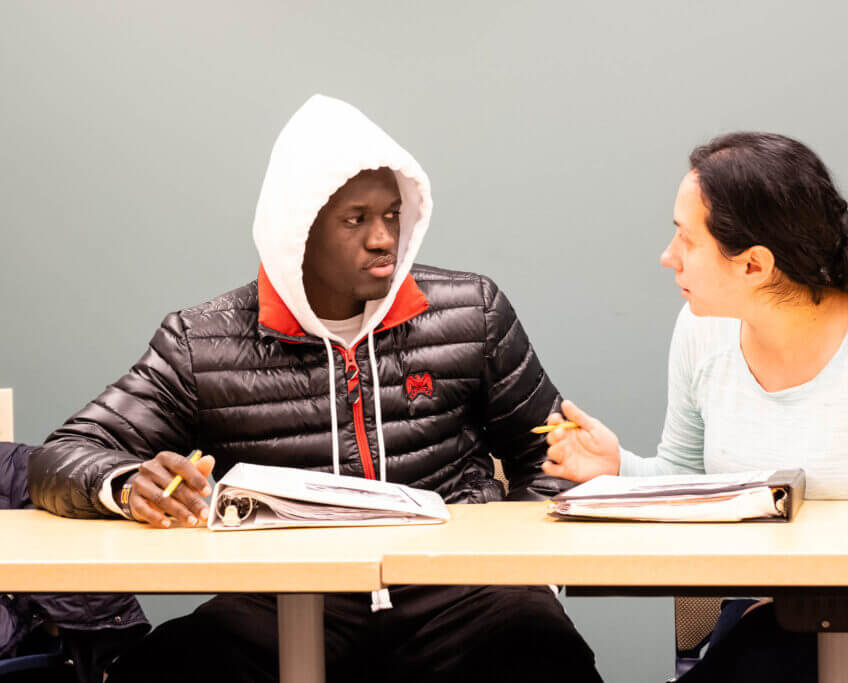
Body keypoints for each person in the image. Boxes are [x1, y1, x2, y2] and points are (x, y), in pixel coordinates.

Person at [28, 95, 601, 683]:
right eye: (356, 220)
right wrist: (124, 485)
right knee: (166, 669)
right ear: (297, 230)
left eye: (392, 217)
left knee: (546, 655)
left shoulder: (471, 311)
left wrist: (524, 567)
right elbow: (61, 455)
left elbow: (551, 453)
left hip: (460, 593)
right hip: (279, 599)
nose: (383, 240)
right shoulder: (203, 341)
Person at [542, 132, 848, 683]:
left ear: (753, 265)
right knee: (762, 652)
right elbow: (689, 484)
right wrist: (616, 471)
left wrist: (799, 591)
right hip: (764, 617)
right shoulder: (701, 334)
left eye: (686, 238)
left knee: (762, 656)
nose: (667, 256)